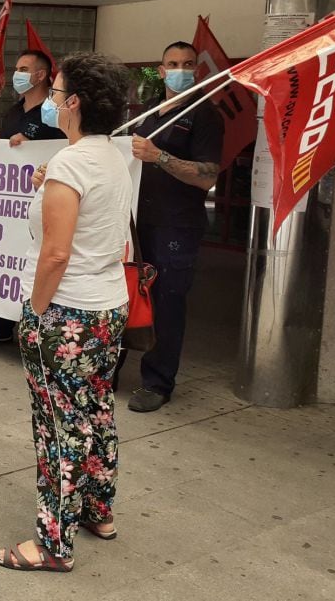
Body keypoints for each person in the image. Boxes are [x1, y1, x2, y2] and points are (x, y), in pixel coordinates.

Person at [0, 52, 132, 573]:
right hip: (107, 307)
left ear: (73, 103)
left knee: (58, 426)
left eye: (55, 92)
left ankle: (53, 543)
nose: (49, 100)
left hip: (66, 313)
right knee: (96, 410)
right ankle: (98, 510)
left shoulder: (73, 163)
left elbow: (55, 253)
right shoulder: (111, 155)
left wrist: (35, 310)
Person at [126, 41, 223, 413]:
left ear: (197, 70)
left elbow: (207, 176)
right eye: (172, 63)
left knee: (166, 305)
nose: (180, 70)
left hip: (175, 227)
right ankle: (111, 368)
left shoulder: (205, 114)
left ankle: (157, 382)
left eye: (187, 64)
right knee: (127, 296)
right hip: (139, 222)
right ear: (161, 70)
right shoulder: (149, 112)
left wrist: (159, 156)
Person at [0, 49, 66, 345]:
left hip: (45, 202)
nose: (16, 74)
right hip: (9, 205)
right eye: (17, 68)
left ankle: (38, 325)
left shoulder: (54, 112)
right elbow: (3, 154)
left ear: (41, 75)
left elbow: (67, 146)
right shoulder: (13, 111)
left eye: (23, 69)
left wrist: (33, 144)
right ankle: (1, 323)